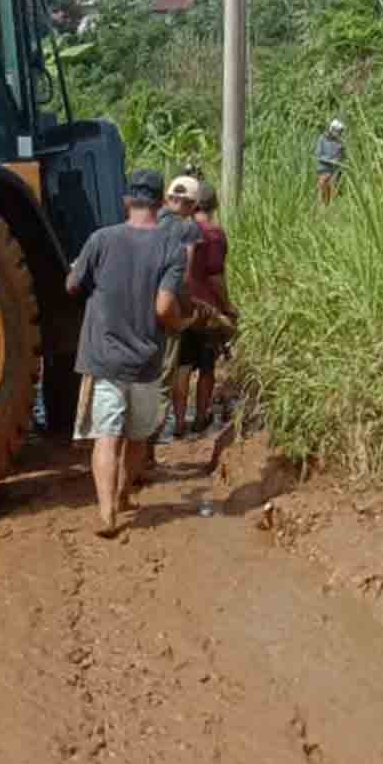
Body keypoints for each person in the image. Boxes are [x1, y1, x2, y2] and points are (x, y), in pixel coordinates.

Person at [66, 169, 189, 539]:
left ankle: (107, 514)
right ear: (160, 203)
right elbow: (165, 307)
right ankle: (122, 494)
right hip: (146, 361)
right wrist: (180, 323)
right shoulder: (172, 248)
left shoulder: (101, 239)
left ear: (126, 200)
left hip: (104, 357)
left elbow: (73, 285)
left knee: (107, 434)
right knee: (137, 435)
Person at [172, 181, 238, 435]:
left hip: (183, 305)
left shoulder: (180, 229)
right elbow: (215, 276)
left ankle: (178, 421)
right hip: (208, 309)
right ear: (215, 205)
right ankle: (200, 416)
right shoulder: (214, 234)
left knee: (183, 365)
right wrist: (227, 306)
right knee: (207, 364)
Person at [150, 174, 202, 452]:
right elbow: (185, 276)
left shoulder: (149, 220)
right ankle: (146, 449)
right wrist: (188, 313)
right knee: (163, 378)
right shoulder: (188, 230)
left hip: (137, 310)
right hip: (168, 310)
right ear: (192, 205)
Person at [316, 118, 345, 203]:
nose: (339, 133)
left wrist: (339, 160)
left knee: (333, 193)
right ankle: (320, 209)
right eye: (338, 131)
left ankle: (331, 210)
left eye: (340, 132)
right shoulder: (322, 139)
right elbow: (318, 155)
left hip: (335, 171)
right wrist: (329, 160)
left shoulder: (340, 142)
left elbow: (342, 156)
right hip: (323, 170)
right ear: (332, 129)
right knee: (322, 192)